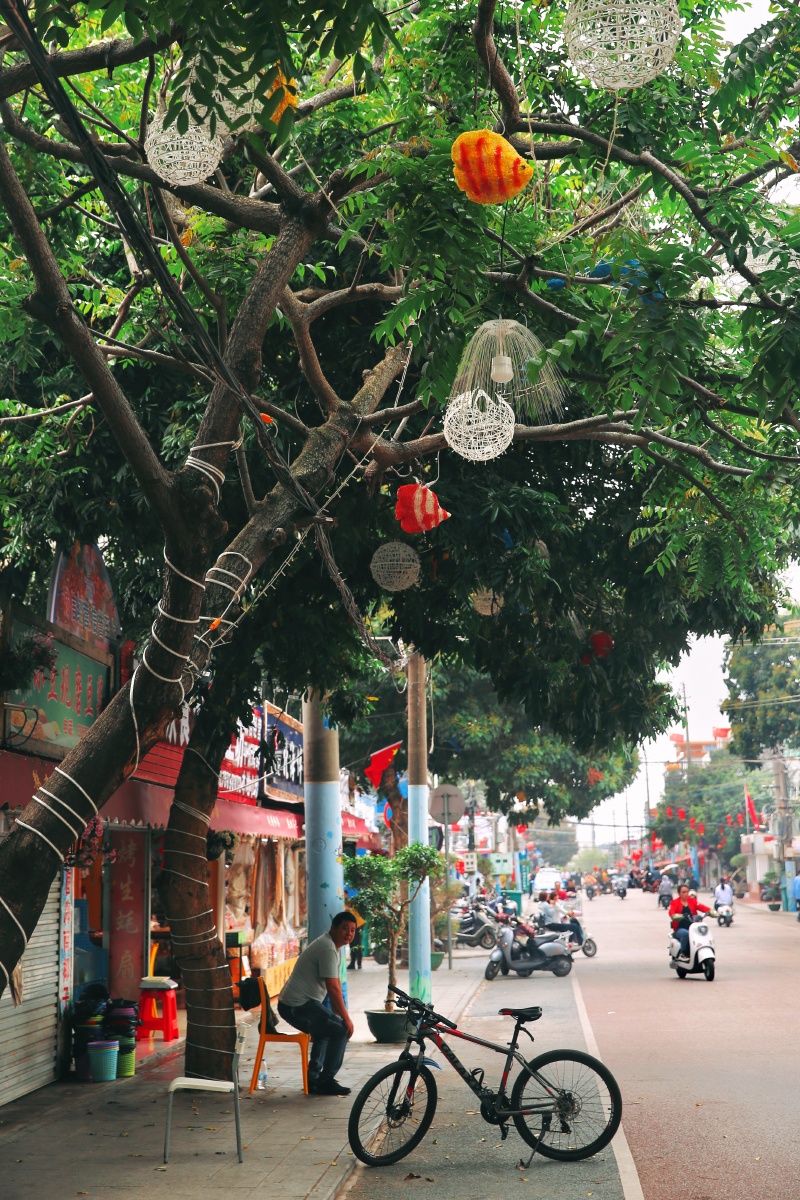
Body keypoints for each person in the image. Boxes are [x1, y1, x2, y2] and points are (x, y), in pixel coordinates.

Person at [278, 911, 357, 1095]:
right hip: (296, 1006)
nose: (349, 933)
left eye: (353, 930)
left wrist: (339, 1014)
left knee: (326, 1028)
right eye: (345, 928)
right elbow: (333, 988)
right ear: (333, 928)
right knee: (340, 1030)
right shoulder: (328, 948)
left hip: (294, 1004)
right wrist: (346, 1019)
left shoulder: (331, 946)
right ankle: (326, 1080)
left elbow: (334, 985)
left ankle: (313, 1079)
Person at [668, 885, 712, 959]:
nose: (686, 894)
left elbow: (702, 907)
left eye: (687, 892)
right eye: (683, 892)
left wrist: (711, 911)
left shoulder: (692, 901)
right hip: (680, 928)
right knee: (685, 933)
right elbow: (671, 912)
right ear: (679, 893)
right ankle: (683, 953)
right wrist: (675, 916)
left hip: (693, 927)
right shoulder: (674, 902)